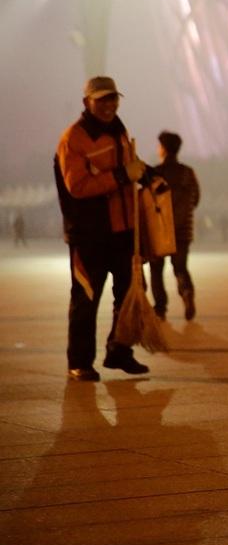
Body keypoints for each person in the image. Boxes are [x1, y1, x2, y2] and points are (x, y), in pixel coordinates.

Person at [53, 76, 151, 381]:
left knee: (130, 293)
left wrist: (148, 175)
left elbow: (130, 166)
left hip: (122, 231)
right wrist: (123, 175)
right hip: (90, 234)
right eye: (102, 100)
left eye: (113, 99)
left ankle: (119, 350)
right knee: (86, 298)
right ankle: (79, 362)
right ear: (87, 102)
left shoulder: (118, 131)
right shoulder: (75, 138)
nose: (109, 105)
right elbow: (78, 186)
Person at [148, 131, 201, 321]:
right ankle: (186, 292)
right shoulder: (188, 172)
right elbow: (195, 199)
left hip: (160, 230)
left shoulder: (155, 173)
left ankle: (160, 307)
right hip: (183, 231)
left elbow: (148, 201)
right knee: (180, 267)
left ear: (163, 149)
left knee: (156, 269)